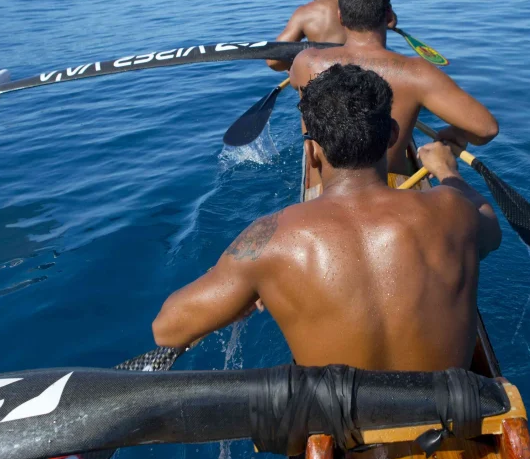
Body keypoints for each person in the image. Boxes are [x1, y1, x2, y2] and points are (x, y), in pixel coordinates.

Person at [153, 65, 501, 372]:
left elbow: (166, 329)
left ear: (312, 151)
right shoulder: (453, 210)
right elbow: (490, 228)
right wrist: (447, 172)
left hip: (345, 429)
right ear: (393, 135)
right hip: (450, 416)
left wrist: (249, 285)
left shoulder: (269, 240)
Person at [290, 0, 498, 185]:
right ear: (389, 16)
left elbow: (295, 80)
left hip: (327, 187)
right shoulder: (417, 72)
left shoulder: (307, 62)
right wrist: (459, 135)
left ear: (341, 16)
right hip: (393, 186)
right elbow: (486, 129)